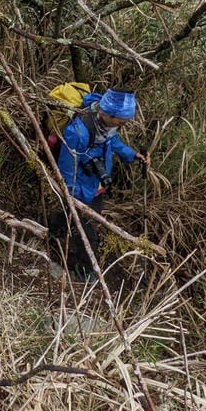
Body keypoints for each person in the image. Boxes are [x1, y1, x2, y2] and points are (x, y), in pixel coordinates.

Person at [46, 88, 146, 281]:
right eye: (122, 120)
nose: (124, 124)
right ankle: (84, 269)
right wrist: (71, 195)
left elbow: (113, 142)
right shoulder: (77, 132)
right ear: (108, 113)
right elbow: (67, 168)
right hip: (80, 189)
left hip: (96, 186)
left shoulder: (107, 126)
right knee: (88, 230)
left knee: (73, 217)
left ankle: (54, 232)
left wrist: (132, 155)